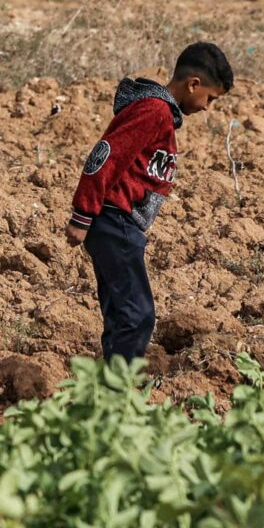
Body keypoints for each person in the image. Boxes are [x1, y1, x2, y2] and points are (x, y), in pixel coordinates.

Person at [67, 42, 234, 362]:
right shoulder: (153, 111)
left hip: (119, 223)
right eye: (210, 98)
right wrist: (83, 214)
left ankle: (108, 390)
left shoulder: (161, 114)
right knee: (138, 316)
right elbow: (106, 155)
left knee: (120, 313)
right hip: (115, 221)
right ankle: (120, 394)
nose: (206, 107)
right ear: (193, 84)